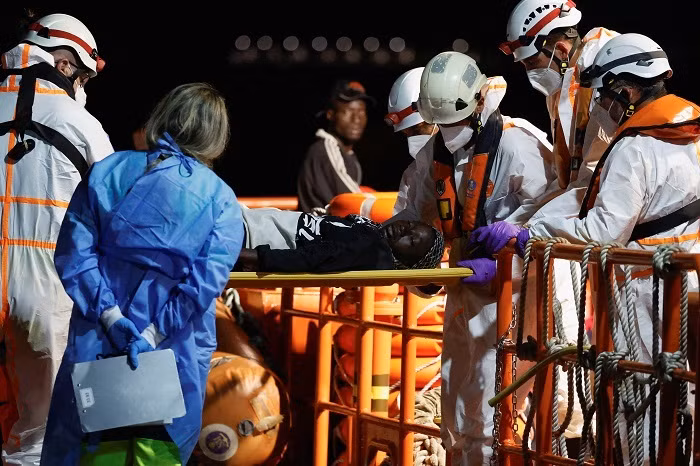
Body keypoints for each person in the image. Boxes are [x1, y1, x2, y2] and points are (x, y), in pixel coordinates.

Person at [470, 33, 700, 463]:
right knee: (684, 404)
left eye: (606, 96)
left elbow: (604, 230)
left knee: (645, 411)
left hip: (648, 298)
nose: (601, 106)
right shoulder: (690, 137)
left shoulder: (636, 148)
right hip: (687, 292)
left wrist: (526, 236)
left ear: (627, 91)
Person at [41, 83, 244, 464]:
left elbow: (74, 252)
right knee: (160, 452)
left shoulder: (107, 172)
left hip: (96, 336)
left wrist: (111, 317)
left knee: (81, 445)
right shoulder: (222, 201)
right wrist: (151, 332)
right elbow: (203, 285)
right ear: (216, 137)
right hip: (174, 349)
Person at [387, 51, 569, 464]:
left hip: (519, 293)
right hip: (464, 286)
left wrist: (509, 260)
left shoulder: (518, 145)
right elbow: (410, 220)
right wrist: (422, 273)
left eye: (452, 123)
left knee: (493, 404)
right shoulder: (434, 157)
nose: (446, 133)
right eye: (440, 125)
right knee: (454, 398)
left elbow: (556, 220)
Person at [0, 13, 113, 465]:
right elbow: (115, 210)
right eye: (84, 76)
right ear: (66, 66)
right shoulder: (80, 122)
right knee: (36, 439)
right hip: (44, 288)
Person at [500, 0, 618, 218]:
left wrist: (532, 225)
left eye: (532, 62)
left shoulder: (603, 78)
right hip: (589, 204)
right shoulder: (560, 88)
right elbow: (569, 181)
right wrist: (518, 221)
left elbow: (593, 177)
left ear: (562, 50)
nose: (528, 72)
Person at [235, 209, 444, 272]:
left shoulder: (374, 252)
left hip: (250, 236)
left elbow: (313, 258)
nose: (403, 230)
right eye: (409, 225)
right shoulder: (375, 235)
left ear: (408, 263)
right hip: (252, 223)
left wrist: (244, 254)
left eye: (411, 241)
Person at [297, 80, 374, 213]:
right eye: (349, 111)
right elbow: (355, 202)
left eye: (361, 112)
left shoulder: (347, 154)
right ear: (330, 114)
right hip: (319, 232)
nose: (356, 119)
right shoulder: (325, 149)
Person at [384, 67, 438, 215]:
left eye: (416, 131)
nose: (412, 140)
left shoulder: (473, 160)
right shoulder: (413, 175)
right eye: (406, 134)